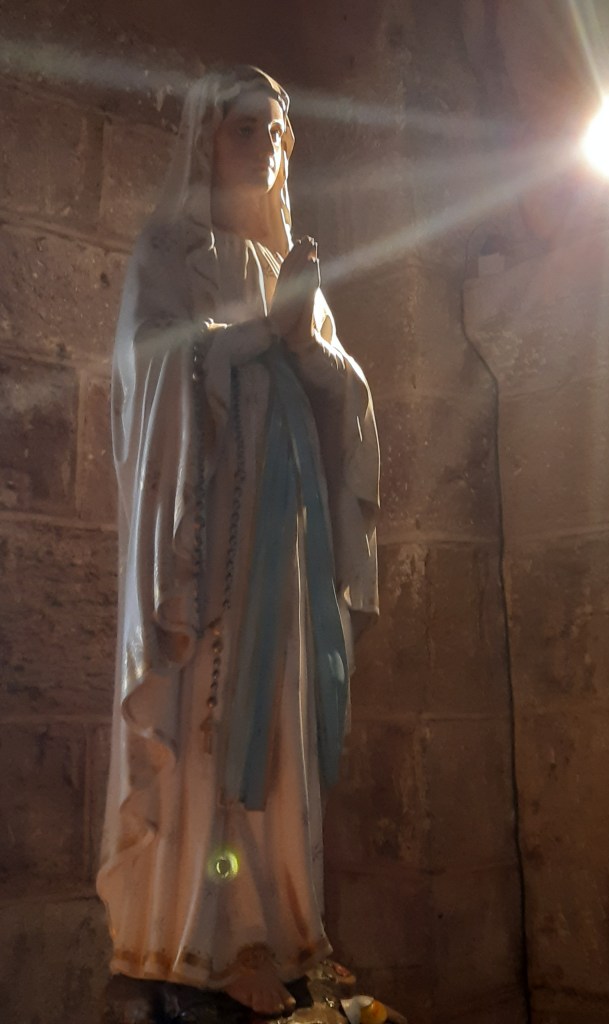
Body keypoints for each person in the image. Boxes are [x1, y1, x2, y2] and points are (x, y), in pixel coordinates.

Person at [97, 66, 379, 1020]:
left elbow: (339, 398)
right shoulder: (169, 252)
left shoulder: (279, 261)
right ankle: (203, 935)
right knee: (206, 723)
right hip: (207, 544)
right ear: (206, 139)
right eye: (245, 128)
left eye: (277, 133)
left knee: (280, 724)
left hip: (284, 543)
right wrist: (262, 331)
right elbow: (151, 373)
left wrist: (307, 342)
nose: (265, 148)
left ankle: (281, 925)